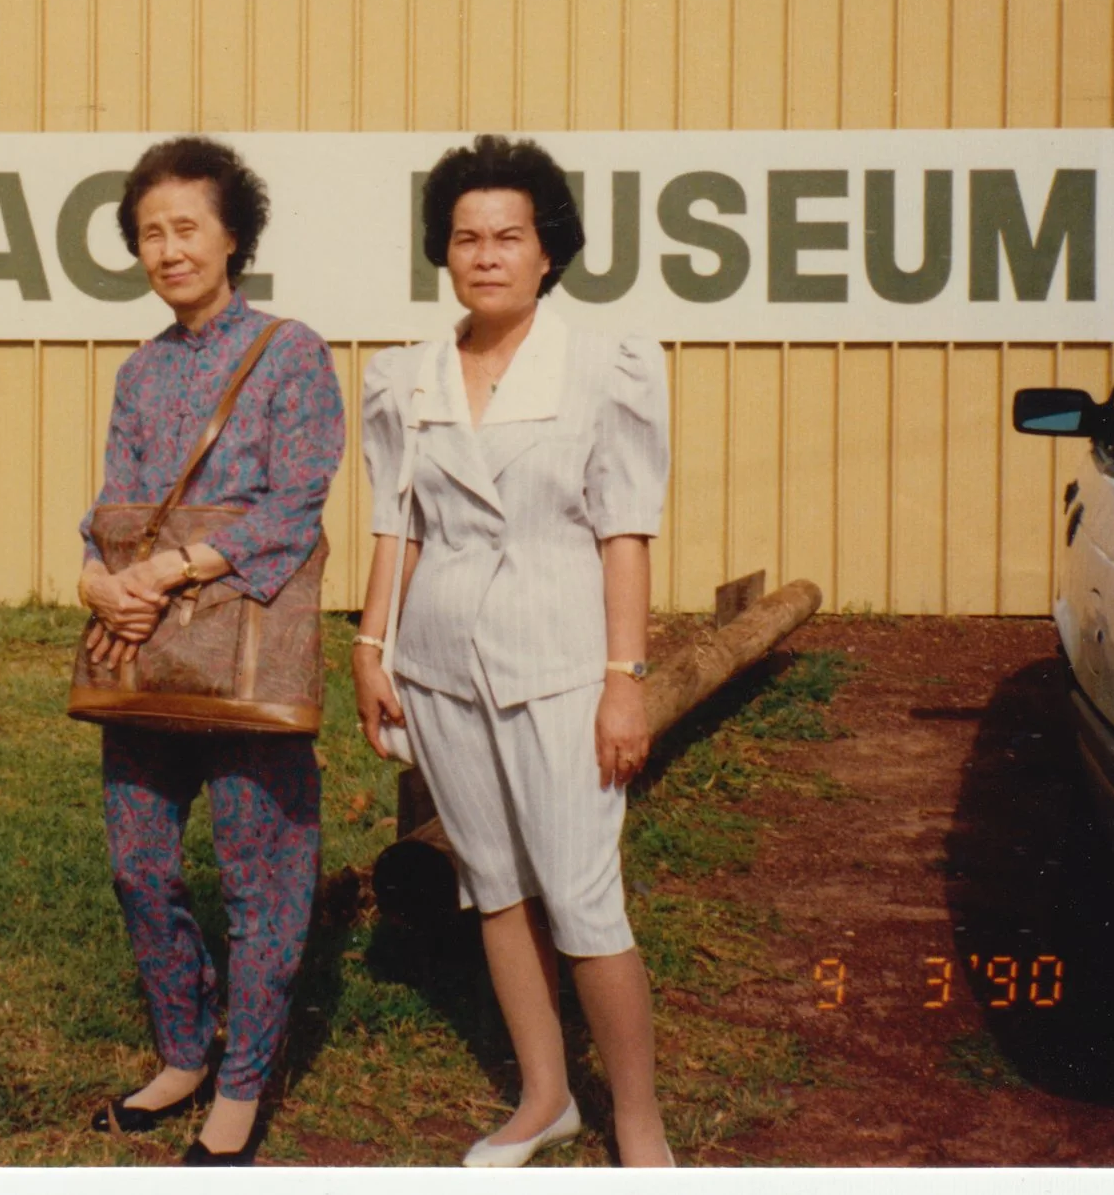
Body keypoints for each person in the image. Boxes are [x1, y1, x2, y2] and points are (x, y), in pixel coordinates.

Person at [353, 134, 675, 1169]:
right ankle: (544, 1097)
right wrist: (372, 646)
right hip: (441, 664)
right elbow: (394, 525)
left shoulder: (606, 367)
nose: (486, 254)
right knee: (492, 881)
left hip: (564, 662)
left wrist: (624, 681)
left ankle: (637, 1119)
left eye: (508, 236)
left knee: (582, 894)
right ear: (442, 252)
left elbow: (623, 530)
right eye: (465, 237)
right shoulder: (405, 377)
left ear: (547, 252)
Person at [77, 134, 344, 1167]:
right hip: (144, 649)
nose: (167, 247)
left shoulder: (291, 350)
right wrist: (98, 576)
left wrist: (171, 567)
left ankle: (241, 1086)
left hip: (247, 646)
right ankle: (183, 1050)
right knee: (138, 862)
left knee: (260, 870)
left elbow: (295, 504)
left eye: (187, 225)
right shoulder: (140, 369)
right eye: (149, 231)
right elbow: (114, 505)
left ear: (234, 234)